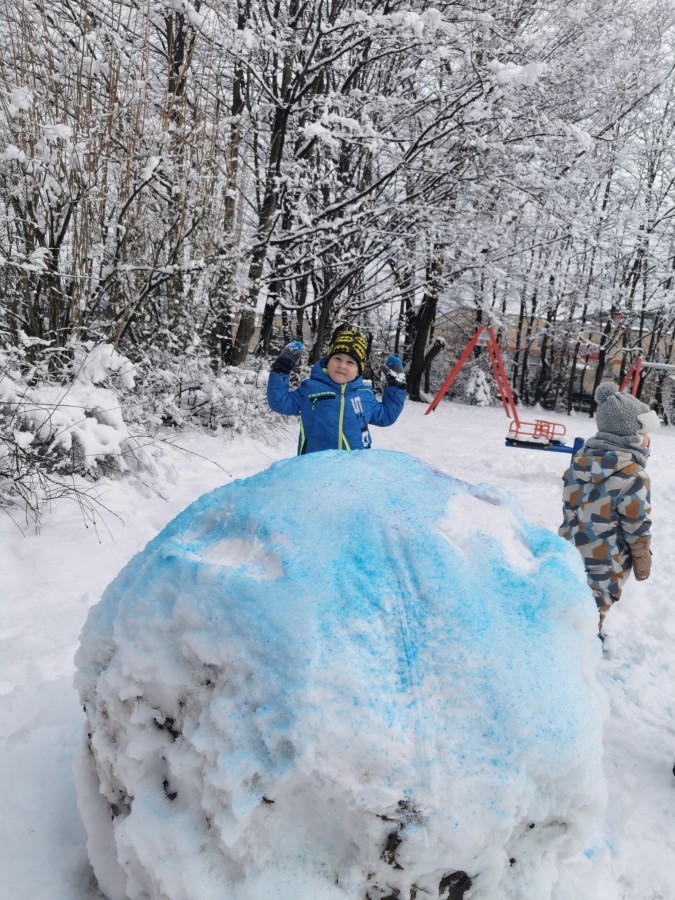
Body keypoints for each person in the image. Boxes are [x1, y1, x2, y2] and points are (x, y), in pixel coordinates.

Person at [558, 382, 659, 633]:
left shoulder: (580, 462)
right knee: (595, 608)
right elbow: (636, 526)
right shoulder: (633, 476)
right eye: (645, 433)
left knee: (566, 599)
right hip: (606, 561)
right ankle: (581, 646)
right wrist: (643, 560)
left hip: (567, 549)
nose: (649, 439)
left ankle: (566, 637)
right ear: (632, 436)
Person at [267, 328, 406, 454]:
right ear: (328, 361)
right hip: (315, 467)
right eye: (337, 358)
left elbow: (387, 416)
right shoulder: (311, 389)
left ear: (359, 370)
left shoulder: (365, 395)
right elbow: (280, 403)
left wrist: (397, 387)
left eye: (350, 362)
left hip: (355, 467)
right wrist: (281, 370)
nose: (342, 365)